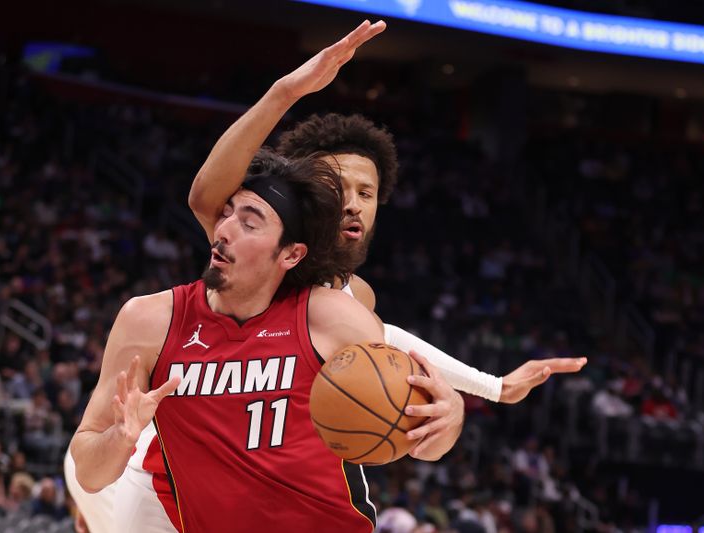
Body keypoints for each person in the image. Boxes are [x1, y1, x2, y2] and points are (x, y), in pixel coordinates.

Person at [69, 19, 586, 532]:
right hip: (173, 481)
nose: (354, 205)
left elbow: (395, 350)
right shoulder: (246, 241)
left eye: (368, 193)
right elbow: (205, 196)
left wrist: (462, 401)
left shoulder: (341, 300)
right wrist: (286, 92)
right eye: (341, 189)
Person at [71, 150, 465, 532]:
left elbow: (420, 438)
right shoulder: (151, 321)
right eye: (226, 213)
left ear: (291, 254)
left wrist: (451, 416)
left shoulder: (329, 318)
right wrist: (120, 439)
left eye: (249, 221)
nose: (223, 229)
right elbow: (88, 472)